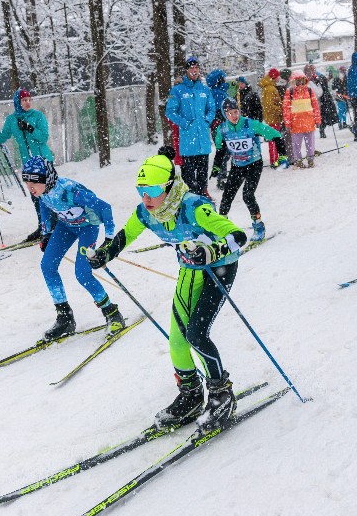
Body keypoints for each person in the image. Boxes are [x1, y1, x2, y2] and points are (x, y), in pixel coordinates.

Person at [86, 146, 249, 430]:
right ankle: (191, 395)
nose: (146, 197)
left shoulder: (194, 207)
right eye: (141, 190)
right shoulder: (146, 213)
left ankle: (222, 395)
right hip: (190, 270)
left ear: (170, 186)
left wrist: (212, 251)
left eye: (152, 189)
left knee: (197, 334)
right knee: (177, 339)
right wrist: (104, 254)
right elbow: (124, 237)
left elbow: (238, 236)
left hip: (218, 269)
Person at [20, 156, 125, 341]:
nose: (30, 188)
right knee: (47, 266)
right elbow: (45, 208)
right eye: (27, 182)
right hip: (65, 227)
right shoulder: (42, 192)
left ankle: (112, 313)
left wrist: (109, 239)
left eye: (34, 183)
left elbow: (105, 207)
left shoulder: (70, 190)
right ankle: (65, 317)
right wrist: (46, 233)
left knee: (82, 274)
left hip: (87, 228)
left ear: (47, 178)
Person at [0, 88, 53, 241]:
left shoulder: (37, 116)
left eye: (29, 100)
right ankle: (43, 226)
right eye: (24, 100)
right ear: (17, 103)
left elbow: (44, 137)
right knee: (36, 197)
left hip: (43, 161)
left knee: (48, 194)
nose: (27, 103)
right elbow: (2, 137)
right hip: (29, 164)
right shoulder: (12, 120)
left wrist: (30, 128)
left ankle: (53, 226)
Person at [213, 98, 281, 241]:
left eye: (236, 112)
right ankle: (220, 228)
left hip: (254, 165)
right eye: (230, 113)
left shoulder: (250, 124)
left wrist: (283, 154)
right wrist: (216, 166)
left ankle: (258, 225)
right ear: (225, 115)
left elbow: (275, 134)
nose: (234, 116)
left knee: (247, 195)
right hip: (237, 166)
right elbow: (220, 149)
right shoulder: (223, 129)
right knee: (226, 197)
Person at [165, 56, 216, 195]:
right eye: (191, 68)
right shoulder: (178, 90)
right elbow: (169, 111)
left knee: (202, 181)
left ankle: (202, 207)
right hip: (188, 144)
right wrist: (184, 123)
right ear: (186, 70)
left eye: (196, 68)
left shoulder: (204, 90)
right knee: (189, 182)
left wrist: (207, 121)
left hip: (203, 143)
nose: (194, 70)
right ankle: (191, 207)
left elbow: (212, 108)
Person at [282, 72, 322, 167]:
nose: (299, 82)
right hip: (296, 124)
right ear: (294, 81)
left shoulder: (309, 90)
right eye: (297, 80)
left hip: (308, 122)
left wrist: (317, 119)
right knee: (296, 144)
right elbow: (286, 109)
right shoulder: (290, 92)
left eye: (301, 79)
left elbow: (315, 106)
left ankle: (310, 160)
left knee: (310, 144)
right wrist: (287, 123)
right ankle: (298, 161)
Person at [206, 69, 231, 190]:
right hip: (222, 127)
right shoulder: (218, 94)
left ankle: (223, 176)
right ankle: (222, 178)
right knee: (224, 151)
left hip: (218, 126)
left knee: (223, 150)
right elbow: (220, 110)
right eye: (224, 78)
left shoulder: (216, 92)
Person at [259, 69, 287, 168]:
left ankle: (274, 160)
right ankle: (274, 161)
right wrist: (280, 109)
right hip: (273, 118)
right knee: (274, 140)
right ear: (274, 77)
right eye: (278, 76)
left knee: (273, 140)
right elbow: (269, 105)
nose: (279, 77)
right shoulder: (270, 89)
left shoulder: (269, 87)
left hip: (271, 117)